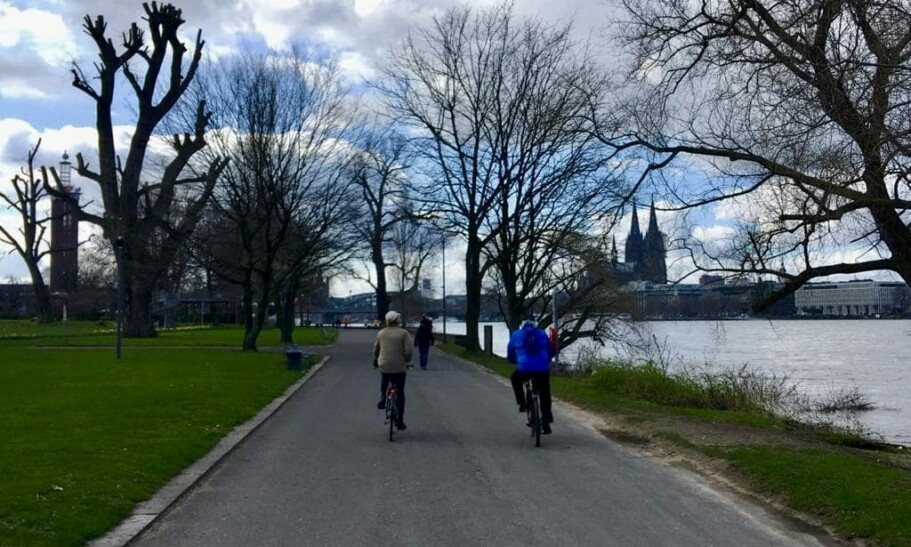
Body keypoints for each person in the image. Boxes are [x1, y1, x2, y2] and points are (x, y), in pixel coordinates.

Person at [507, 318, 554, 434]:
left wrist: (512, 360)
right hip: (542, 369)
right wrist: (546, 360)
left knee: (514, 378)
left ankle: (522, 403)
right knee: (544, 392)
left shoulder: (516, 334)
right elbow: (550, 349)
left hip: (524, 369)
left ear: (522, 325)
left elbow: (511, 350)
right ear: (536, 325)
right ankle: (546, 420)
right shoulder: (542, 333)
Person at [373, 310, 414, 430]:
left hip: (384, 364)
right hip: (399, 366)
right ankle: (400, 420)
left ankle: (382, 396)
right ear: (397, 320)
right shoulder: (404, 333)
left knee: (385, 376)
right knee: (400, 391)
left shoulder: (381, 333)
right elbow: (409, 351)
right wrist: (406, 360)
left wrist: (375, 361)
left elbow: (376, 349)